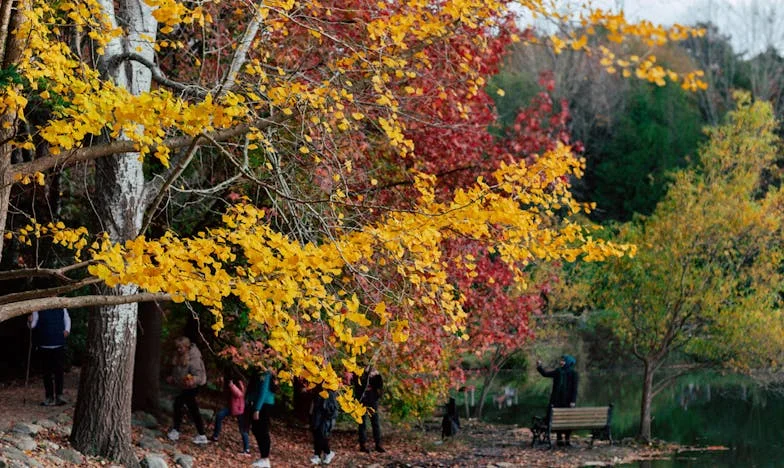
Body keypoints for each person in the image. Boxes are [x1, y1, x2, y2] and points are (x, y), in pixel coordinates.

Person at [166, 336, 209, 445]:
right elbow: (178, 372)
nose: (179, 350)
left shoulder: (194, 358)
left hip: (193, 387)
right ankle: (200, 434)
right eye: (177, 348)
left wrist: (192, 380)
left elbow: (199, 375)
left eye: (181, 348)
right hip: (183, 386)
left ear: (186, 347)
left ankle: (178, 431)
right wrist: (173, 378)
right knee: (188, 408)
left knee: (181, 405)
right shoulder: (178, 356)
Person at [28, 308, 70, 406]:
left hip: (58, 342)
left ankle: (59, 396)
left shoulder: (61, 306)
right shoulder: (38, 308)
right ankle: (49, 397)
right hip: (44, 343)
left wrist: (67, 329)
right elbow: (32, 325)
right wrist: (29, 321)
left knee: (59, 371)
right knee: (47, 372)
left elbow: (67, 319)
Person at [536, 354, 579, 446]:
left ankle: (566, 440)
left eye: (563, 361)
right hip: (557, 400)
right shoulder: (558, 371)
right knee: (557, 418)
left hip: (566, 401)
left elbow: (574, 389)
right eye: (561, 360)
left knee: (567, 420)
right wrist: (539, 366)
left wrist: (572, 401)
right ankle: (560, 439)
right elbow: (545, 374)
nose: (561, 362)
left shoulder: (573, 373)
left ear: (568, 362)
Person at [211, 369, 249, 455]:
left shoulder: (239, 382)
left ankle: (247, 449)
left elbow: (240, 394)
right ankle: (215, 436)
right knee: (219, 415)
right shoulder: (227, 382)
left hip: (240, 408)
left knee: (242, 428)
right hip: (232, 407)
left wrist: (232, 386)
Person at [245, 369, 275, 468]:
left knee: (262, 430)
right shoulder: (259, 371)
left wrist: (257, 409)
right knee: (256, 429)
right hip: (260, 403)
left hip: (264, 404)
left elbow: (263, 390)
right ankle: (263, 457)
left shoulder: (265, 372)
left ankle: (265, 458)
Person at [352, 367, 385, 453]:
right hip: (361, 401)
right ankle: (363, 445)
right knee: (362, 424)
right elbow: (360, 385)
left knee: (375, 423)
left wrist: (377, 375)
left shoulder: (374, 373)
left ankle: (378, 444)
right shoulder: (358, 372)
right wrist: (366, 374)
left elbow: (379, 385)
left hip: (372, 401)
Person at [309, 386, 337, 465]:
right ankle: (326, 453)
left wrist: (327, 416)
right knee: (318, 435)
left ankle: (319, 455)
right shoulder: (317, 389)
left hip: (324, 417)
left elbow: (332, 408)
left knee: (320, 435)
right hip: (316, 415)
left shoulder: (329, 391)